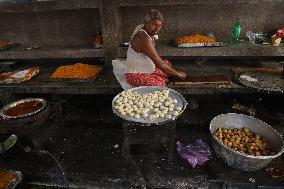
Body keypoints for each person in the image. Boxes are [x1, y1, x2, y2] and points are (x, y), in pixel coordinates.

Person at [113, 9, 186, 90]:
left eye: (159, 25)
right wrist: (178, 74)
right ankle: (159, 78)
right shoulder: (143, 38)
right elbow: (160, 64)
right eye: (154, 24)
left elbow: (160, 62)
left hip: (146, 68)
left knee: (167, 63)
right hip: (135, 74)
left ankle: (158, 76)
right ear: (146, 23)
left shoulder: (142, 27)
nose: (156, 29)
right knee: (160, 85)